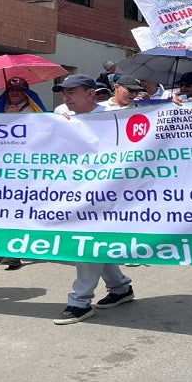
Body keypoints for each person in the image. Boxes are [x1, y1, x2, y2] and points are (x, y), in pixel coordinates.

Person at [48, 74, 136, 324]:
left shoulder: (111, 116)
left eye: (72, 92)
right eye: (64, 92)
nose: (66, 97)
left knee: (86, 242)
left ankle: (80, 301)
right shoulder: (63, 116)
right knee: (97, 242)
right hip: (76, 191)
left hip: (105, 194)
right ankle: (120, 288)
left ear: (90, 93)